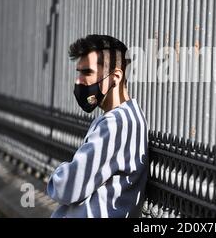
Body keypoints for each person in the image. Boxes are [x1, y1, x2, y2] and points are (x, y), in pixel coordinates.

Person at [47, 34, 148, 218]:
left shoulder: (117, 123)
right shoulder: (124, 117)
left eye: (87, 72)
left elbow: (66, 186)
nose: (78, 81)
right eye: (78, 72)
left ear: (115, 76)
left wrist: (59, 172)